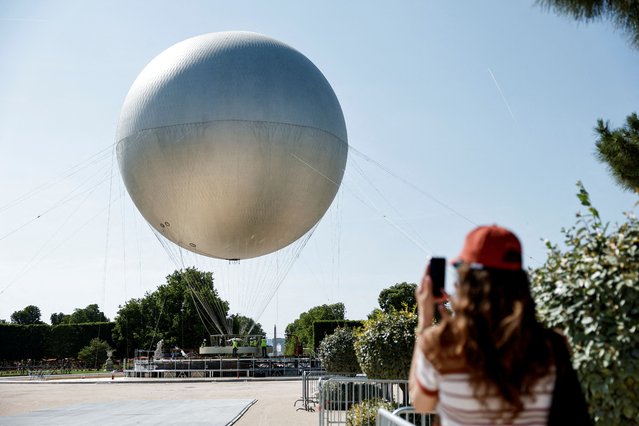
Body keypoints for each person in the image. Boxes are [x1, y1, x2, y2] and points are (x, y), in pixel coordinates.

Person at [409, 225, 590, 425]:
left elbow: (422, 404)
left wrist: (425, 320)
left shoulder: (441, 344)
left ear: (467, 281)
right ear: (520, 283)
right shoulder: (550, 347)